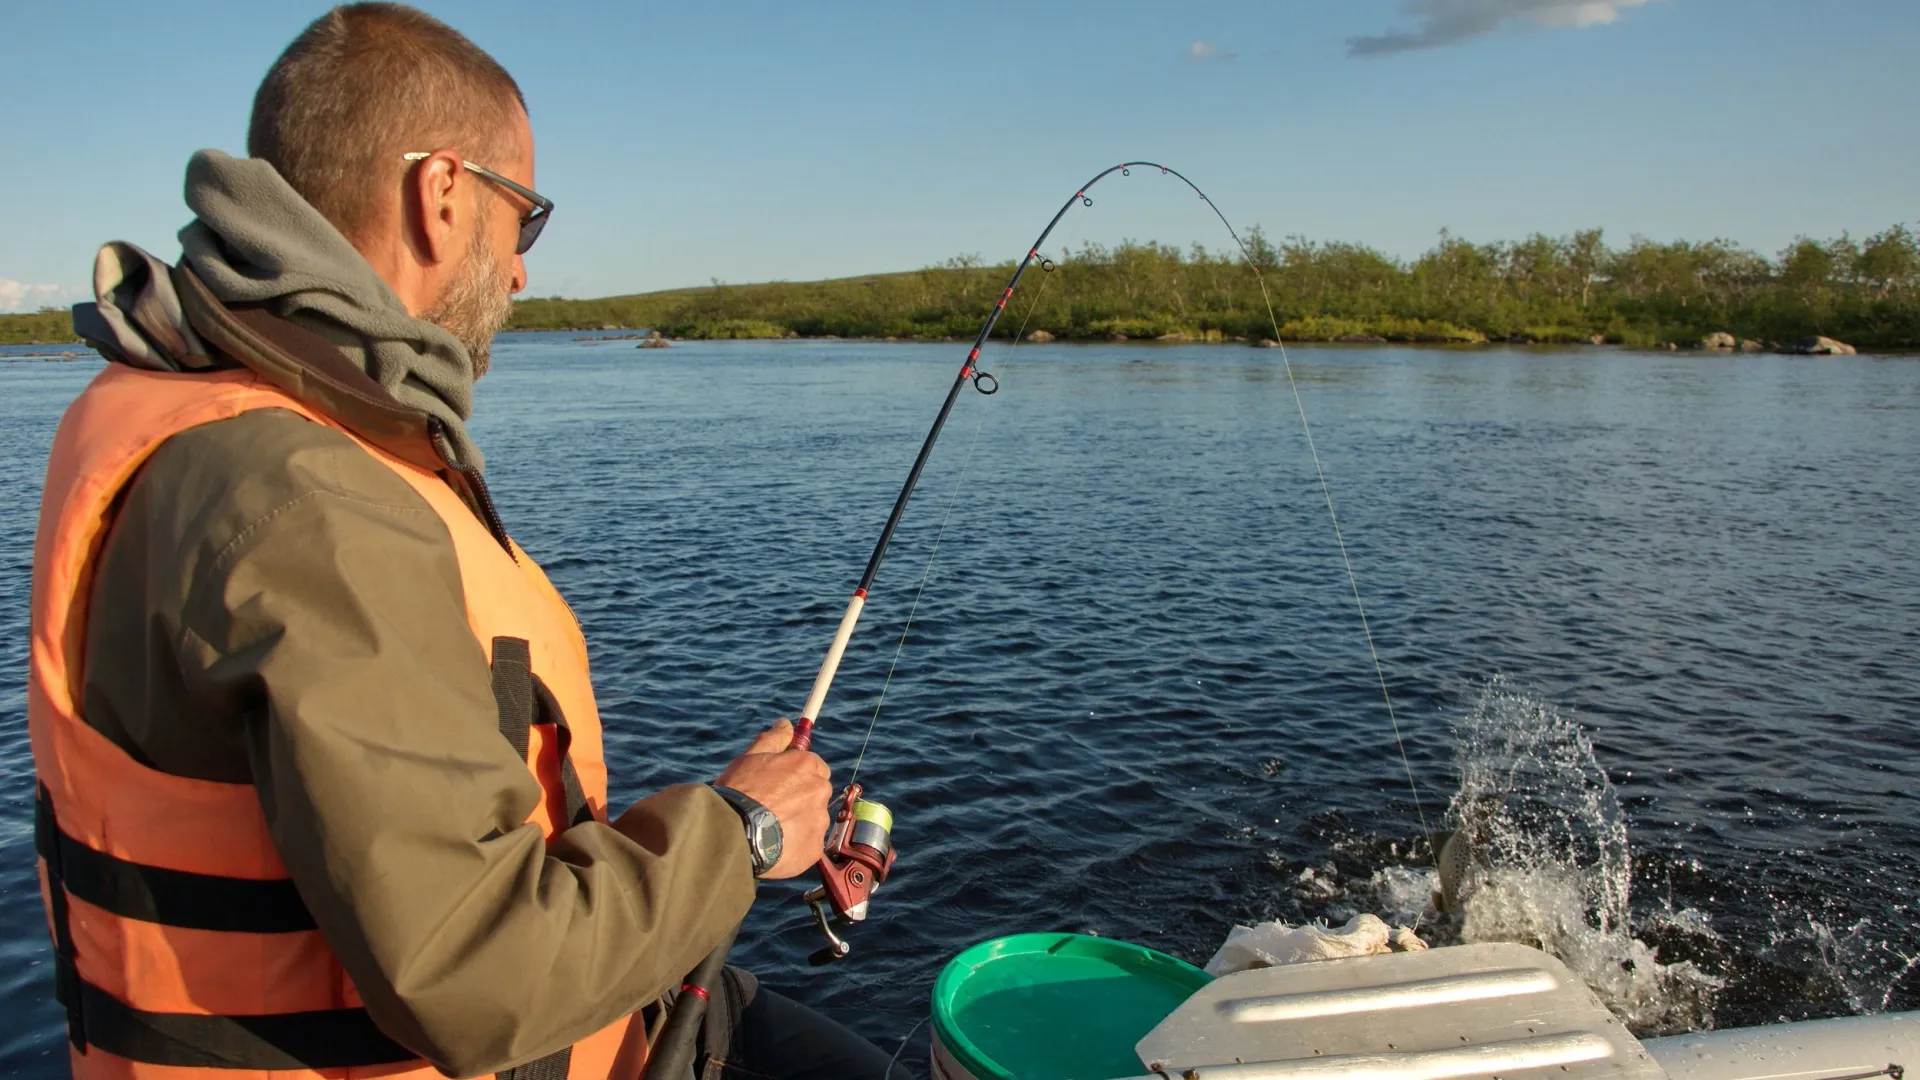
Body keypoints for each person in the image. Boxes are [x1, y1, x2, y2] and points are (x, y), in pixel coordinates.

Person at [28, 5, 906, 1078]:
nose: (525, 269)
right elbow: (478, 974)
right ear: (441, 194)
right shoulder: (304, 498)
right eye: (524, 217)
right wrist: (746, 831)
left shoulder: (191, 402)